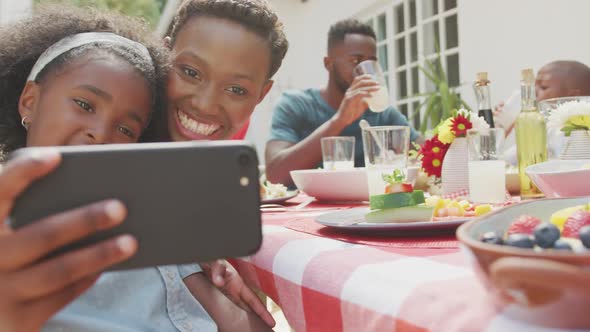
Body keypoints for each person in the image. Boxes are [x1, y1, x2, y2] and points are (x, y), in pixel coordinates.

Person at [0, 5, 273, 332]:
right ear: (29, 100)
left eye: (126, 130)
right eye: (85, 105)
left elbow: (242, 324)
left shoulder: (147, 219)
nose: (101, 134)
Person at [264, 18, 421, 186]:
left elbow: (427, 156)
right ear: (328, 63)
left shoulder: (383, 114)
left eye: (372, 62)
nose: (366, 73)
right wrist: (340, 120)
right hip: (307, 209)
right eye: (356, 61)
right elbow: (275, 175)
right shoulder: (296, 105)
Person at [497, 60, 590, 164]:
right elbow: (504, 163)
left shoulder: (566, 133)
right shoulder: (544, 130)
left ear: (572, 98)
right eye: (533, 86)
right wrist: (500, 130)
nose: (533, 92)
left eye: (543, 87)